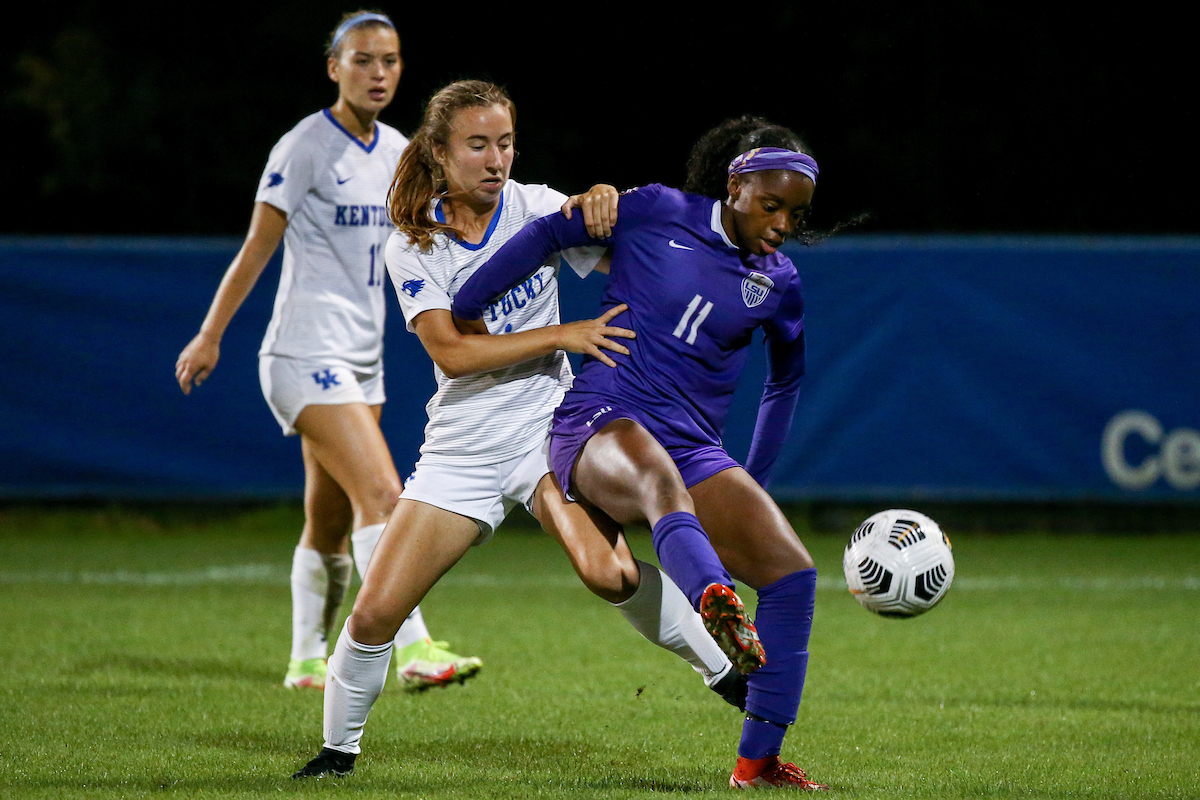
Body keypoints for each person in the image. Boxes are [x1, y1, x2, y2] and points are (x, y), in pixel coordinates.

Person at [292, 80, 746, 780]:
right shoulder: (415, 243)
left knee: (608, 570)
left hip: (551, 426)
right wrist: (563, 334)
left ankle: (731, 674)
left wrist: (603, 202)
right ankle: (335, 756)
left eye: (504, 143)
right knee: (377, 614)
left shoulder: (534, 206)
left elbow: (621, 242)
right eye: (477, 145)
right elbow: (450, 351)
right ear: (439, 154)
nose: (495, 158)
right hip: (464, 447)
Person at [451, 116, 829, 790]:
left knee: (794, 574)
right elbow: (548, 233)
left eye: (794, 215)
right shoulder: (658, 209)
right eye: (770, 206)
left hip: (693, 446)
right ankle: (715, 600)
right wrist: (472, 298)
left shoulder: (780, 281)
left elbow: (787, 378)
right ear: (736, 185)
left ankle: (757, 765)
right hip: (603, 419)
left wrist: (754, 479)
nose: (779, 224)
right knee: (659, 485)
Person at [174, 10, 481, 693]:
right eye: (364, 60)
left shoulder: (403, 151)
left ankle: (305, 658)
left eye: (391, 60)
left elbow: (447, 227)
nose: (379, 73)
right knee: (383, 492)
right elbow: (257, 247)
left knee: (330, 516)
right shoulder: (304, 146)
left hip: (361, 359)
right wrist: (211, 333)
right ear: (334, 67)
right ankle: (417, 649)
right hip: (301, 354)